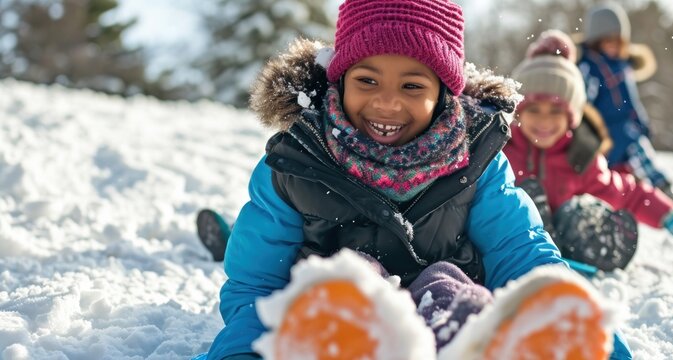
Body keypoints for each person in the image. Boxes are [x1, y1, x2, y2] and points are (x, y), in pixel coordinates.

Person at [202, 1, 631, 359]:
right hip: (336, 321)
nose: (387, 101)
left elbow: (521, 254)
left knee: (445, 279)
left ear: (444, 92)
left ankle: (469, 344)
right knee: (349, 278)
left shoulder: (476, 161)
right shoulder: (297, 164)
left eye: (412, 86)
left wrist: (589, 335)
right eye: (367, 80)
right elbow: (257, 284)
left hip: (446, 304)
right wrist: (243, 351)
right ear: (340, 79)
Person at [505, 30, 673, 273]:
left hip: (562, 238)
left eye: (555, 111)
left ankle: (594, 246)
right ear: (517, 113)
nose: (544, 120)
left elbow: (628, 193)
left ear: (572, 117)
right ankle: (537, 253)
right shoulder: (502, 151)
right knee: (523, 195)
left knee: (579, 210)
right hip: (514, 244)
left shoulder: (580, 158)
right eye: (534, 109)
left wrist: (670, 217)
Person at [576, 3, 673, 203]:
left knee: (636, 148)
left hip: (624, 127)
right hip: (603, 132)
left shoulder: (622, 67)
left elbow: (631, 99)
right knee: (628, 148)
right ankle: (653, 187)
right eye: (607, 41)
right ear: (595, 41)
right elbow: (584, 103)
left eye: (618, 41)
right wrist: (585, 131)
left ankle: (654, 190)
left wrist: (640, 121)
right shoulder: (590, 67)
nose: (613, 46)